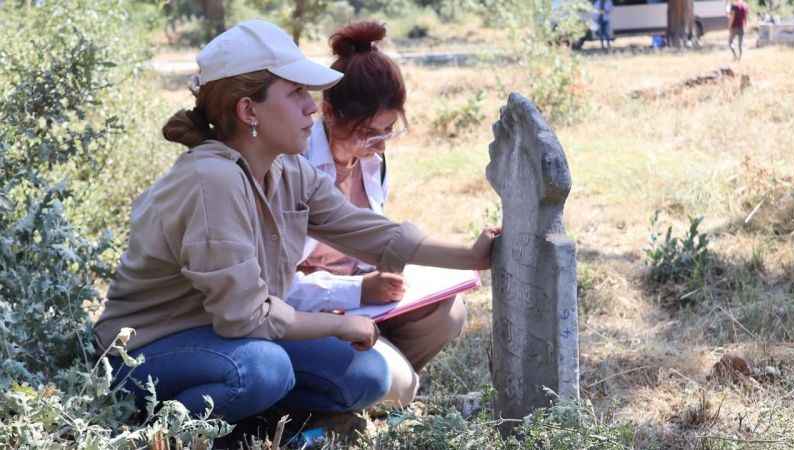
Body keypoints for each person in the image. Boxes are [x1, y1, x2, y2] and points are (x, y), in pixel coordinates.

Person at [92, 19, 499, 429]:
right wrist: (341, 324)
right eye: (296, 93)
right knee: (262, 370)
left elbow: (365, 230)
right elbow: (245, 318)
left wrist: (469, 256)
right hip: (145, 353)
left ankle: (267, 425)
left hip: (226, 340)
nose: (312, 106)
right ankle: (164, 432)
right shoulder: (211, 180)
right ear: (249, 110)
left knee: (367, 375)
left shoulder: (285, 169)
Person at [285, 21, 465, 407]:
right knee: (391, 381)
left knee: (449, 313)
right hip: (309, 308)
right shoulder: (293, 167)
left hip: (359, 297)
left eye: (388, 131)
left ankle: (369, 383)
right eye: (368, 132)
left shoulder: (373, 163)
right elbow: (275, 288)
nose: (379, 145)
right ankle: (356, 390)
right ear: (328, 112)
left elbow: (373, 237)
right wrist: (356, 291)